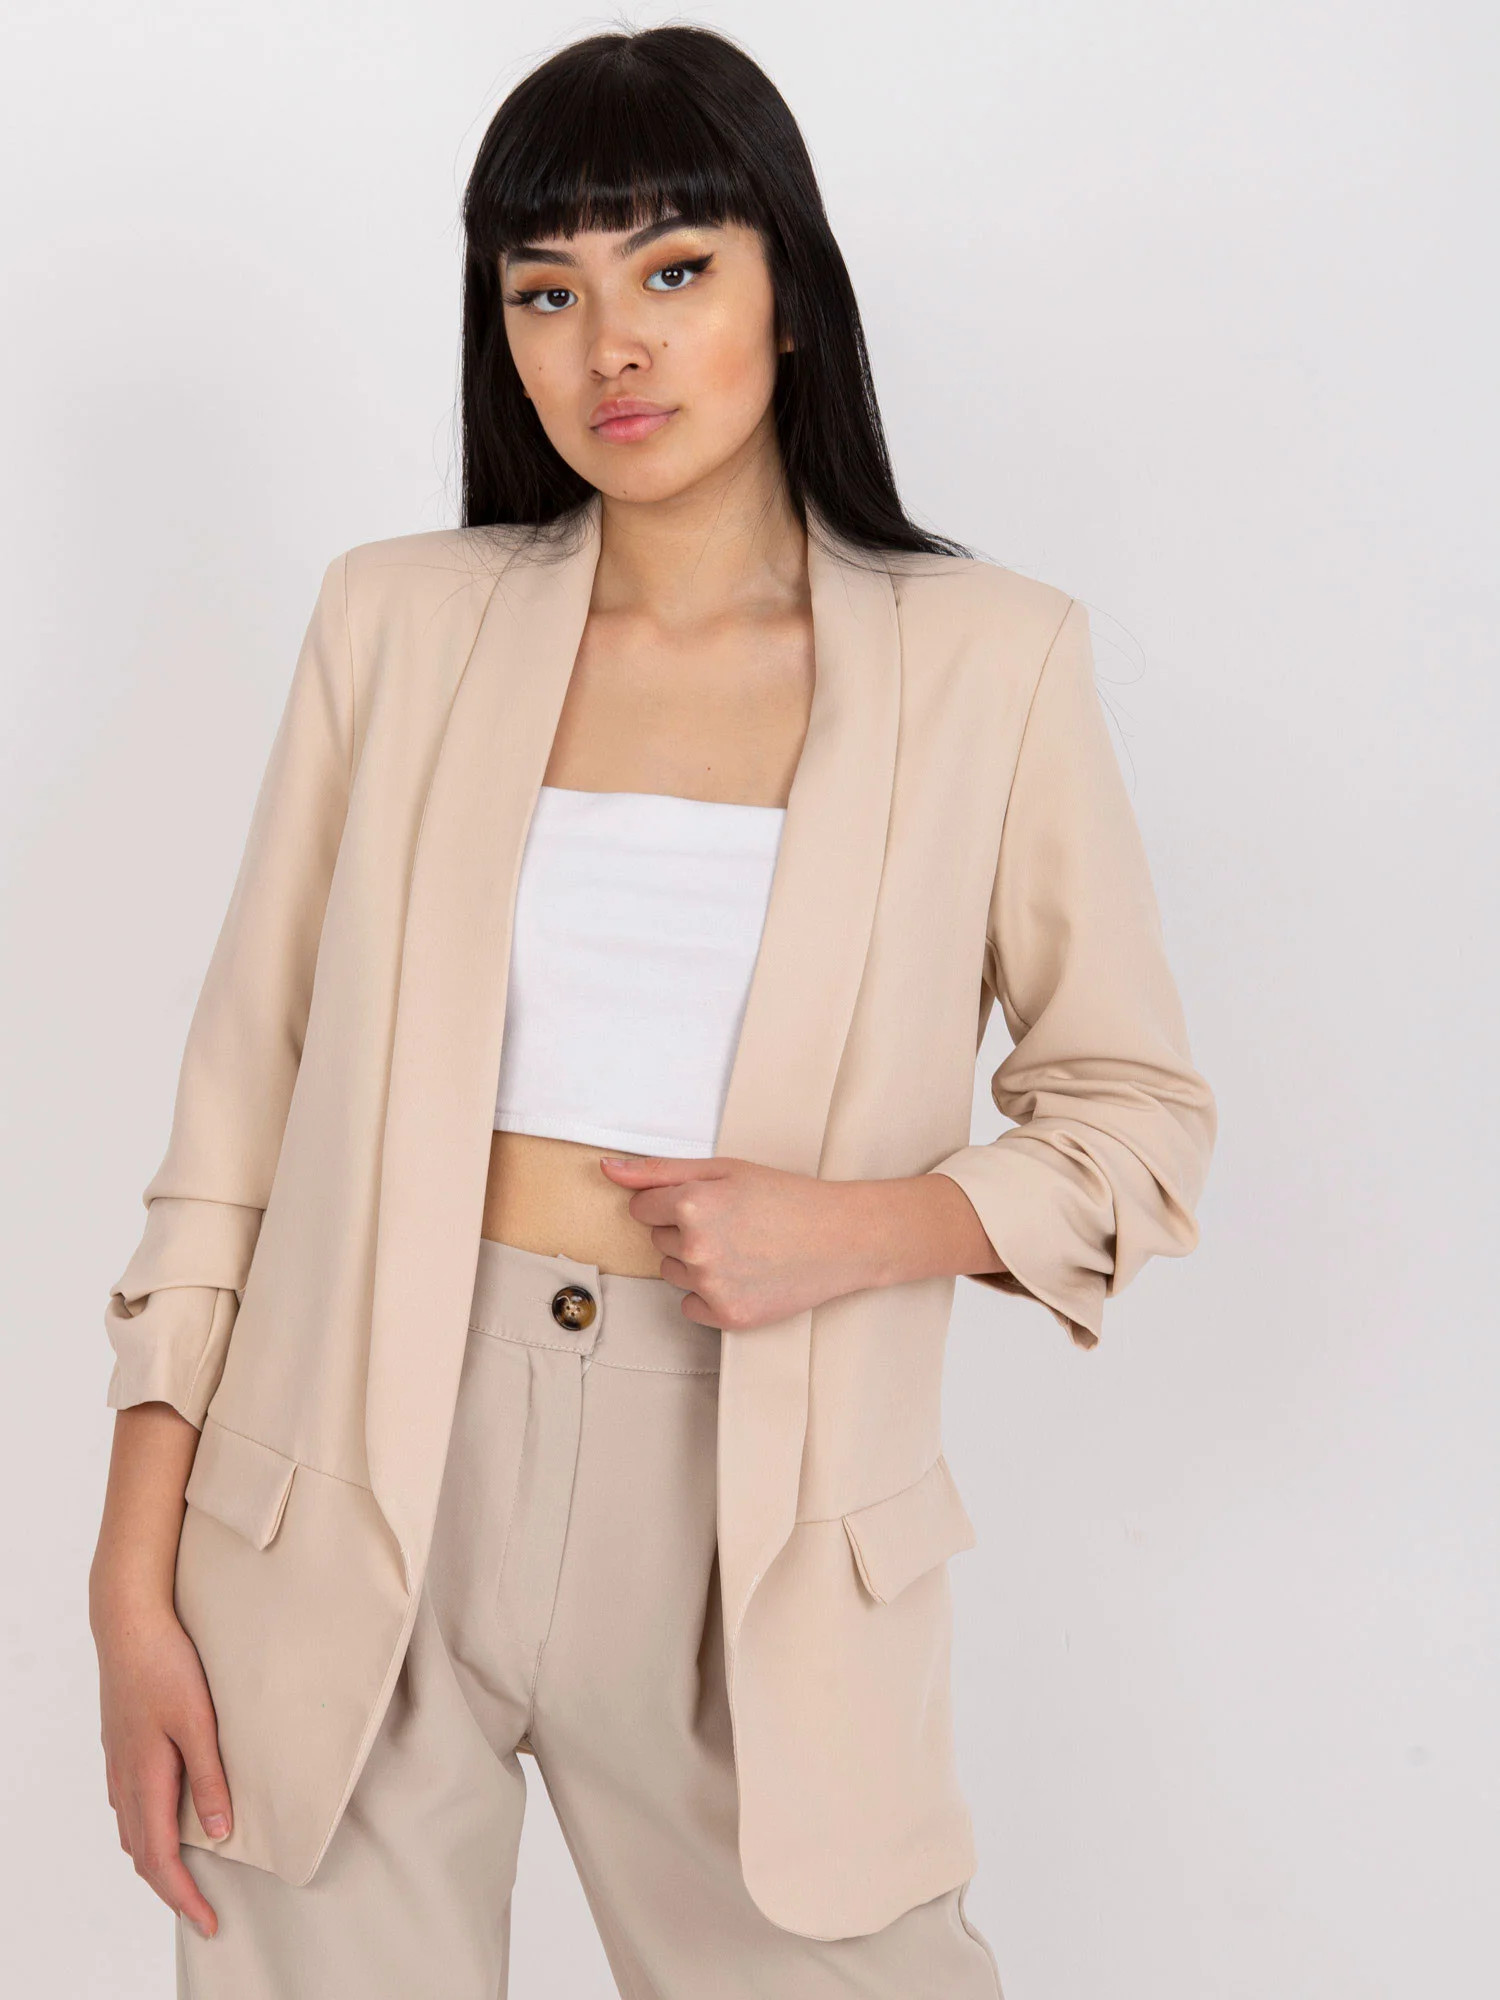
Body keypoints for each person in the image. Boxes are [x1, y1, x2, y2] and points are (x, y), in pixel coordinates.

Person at [89, 23, 1217, 1999]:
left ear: (791, 292)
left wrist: (857, 1227)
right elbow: (236, 1126)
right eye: (547, 291)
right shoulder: (395, 622)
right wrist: (130, 1579)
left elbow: (1134, 1119)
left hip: (751, 1531)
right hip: (342, 1479)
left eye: (674, 269)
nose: (611, 343)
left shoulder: (989, 661)